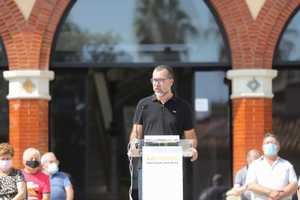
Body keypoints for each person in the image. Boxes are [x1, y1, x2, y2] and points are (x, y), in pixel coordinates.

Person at [128, 65, 198, 200]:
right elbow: (136, 134)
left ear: (171, 81)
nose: (156, 84)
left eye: (160, 80)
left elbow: (191, 138)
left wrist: (192, 148)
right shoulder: (143, 105)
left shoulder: (183, 107)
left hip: (173, 167)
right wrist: (133, 145)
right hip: (148, 166)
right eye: (154, 80)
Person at [245, 133, 298, 200]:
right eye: (267, 143)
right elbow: (250, 185)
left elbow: (294, 185)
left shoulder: (287, 165)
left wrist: (279, 195)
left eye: (273, 143)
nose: (270, 145)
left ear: (278, 147)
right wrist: (270, 192)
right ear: (262, 147)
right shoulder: (254, 165)